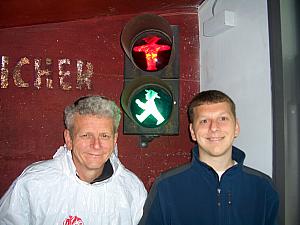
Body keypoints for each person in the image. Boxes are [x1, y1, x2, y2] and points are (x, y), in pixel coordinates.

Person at [0, 95, 147, 225]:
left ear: (115, 139)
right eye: (86, 135)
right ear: (69, 139)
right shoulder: (35, 183)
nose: (96, 145)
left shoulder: (132, 189)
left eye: (104, 136)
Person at [139, 90, 279, 225]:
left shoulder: (263, 187)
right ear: (193, 132)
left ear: (236, 127)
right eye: (204, 121)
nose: (214, 128)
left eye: (223, 118)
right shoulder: (166, 187)